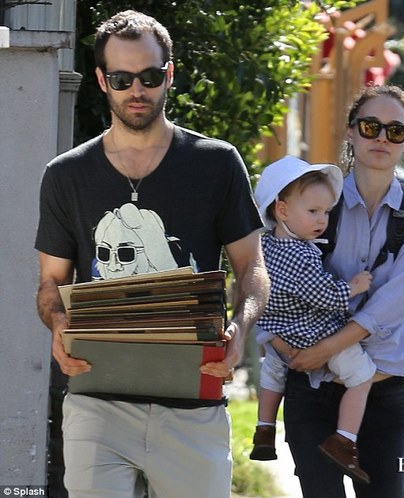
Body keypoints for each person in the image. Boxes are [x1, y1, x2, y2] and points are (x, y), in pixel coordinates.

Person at [35, 10, 269, 498]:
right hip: (97, 401)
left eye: (149, 76)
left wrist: (239, 329)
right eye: (122, 79)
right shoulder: (66, 175)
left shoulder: (216, 163)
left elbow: (252, 268)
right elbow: (51, 283)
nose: (136, 90)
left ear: (170, 73)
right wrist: (58, 326)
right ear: (102, 80)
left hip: (194, 404)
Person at [278, 85, 404, 498]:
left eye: (395, 130)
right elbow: (278, 276)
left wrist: (324, 348)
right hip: (313, 389)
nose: (382, 138)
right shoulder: (314, 204)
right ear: (351, 132)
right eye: (371, 126)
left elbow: (394, 303)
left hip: (385, 395)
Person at [249, 156, 375, 484]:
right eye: (313, 211)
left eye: (327, 212)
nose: (322, 220)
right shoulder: (301, 253)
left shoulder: (264, 245)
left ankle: (264, 429)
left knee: (273, 372)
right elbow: (323, 295)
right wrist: (353, 287)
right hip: (313, 334)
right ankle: (344, 440)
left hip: (277, 332)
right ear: (282, 210)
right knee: (362, 376)